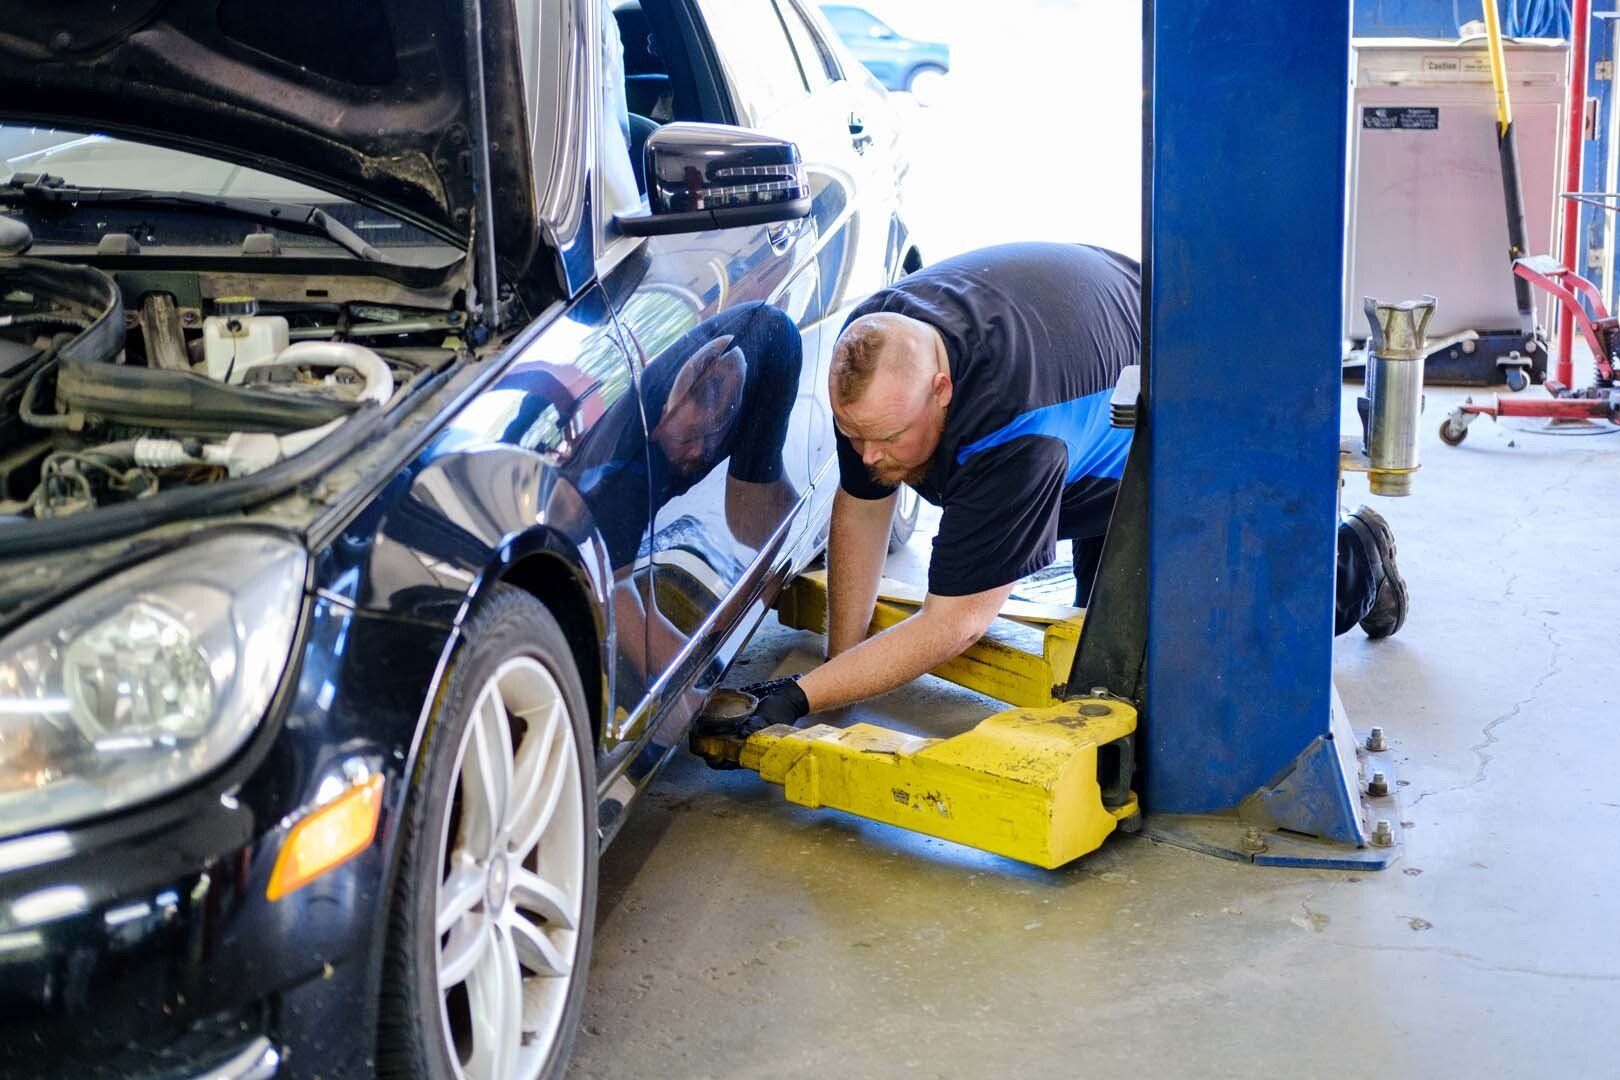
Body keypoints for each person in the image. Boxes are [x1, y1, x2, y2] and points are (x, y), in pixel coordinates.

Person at [745, 242, 1408, 725]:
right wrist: (840, 682)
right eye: (853, 435)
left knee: (1177, 654)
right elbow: (863, 509)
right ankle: (1112, 543)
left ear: (942, 390)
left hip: (1183, 408)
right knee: (1100, 631)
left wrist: (801, 695)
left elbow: (955, 623)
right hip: (1099, 369)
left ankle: (1356, 561)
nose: (866, 454)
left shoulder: (1014, 425)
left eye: (884, 440)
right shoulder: (880, 355)